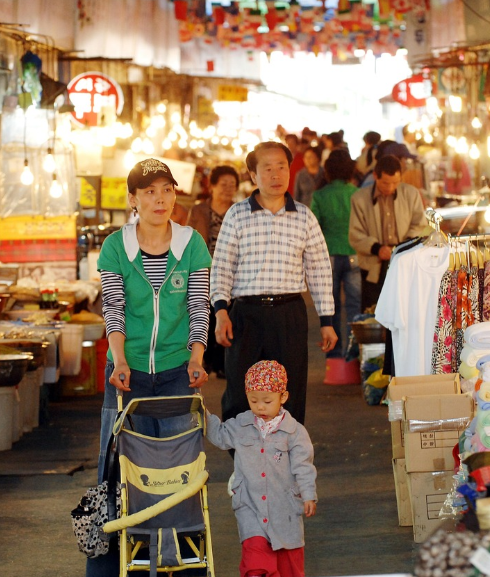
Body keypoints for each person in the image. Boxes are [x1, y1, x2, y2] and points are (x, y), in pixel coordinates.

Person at [88, 158, 211, 575]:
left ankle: (181, 558)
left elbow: (198, 306)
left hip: (178, 371)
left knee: (179, 470)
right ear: (134, 199)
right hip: (128, 375)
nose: (161, 199)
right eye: (150, 191)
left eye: (167, 190)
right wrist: (120, 359)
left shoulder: (192, 244)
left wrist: (197, 357)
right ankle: (125, 559)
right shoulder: (114, 247)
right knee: (120, 471)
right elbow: (114, 310)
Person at [211, 141, 337, 426]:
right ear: (253, 176)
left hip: (288, 314)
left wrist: (326, 319)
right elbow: (222, 266)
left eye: (282, 167)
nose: (276, 174)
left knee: (288, 392)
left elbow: (319, 268)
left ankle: (285, 459)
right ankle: (243, 460)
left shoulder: (304, 216)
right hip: (245, 314)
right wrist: (220, 311)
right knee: (240, 392)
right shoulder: (237, 215)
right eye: (267, 168)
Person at [205, 360, 317, 577]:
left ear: (283, 397)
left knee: (289, 566)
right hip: (250, 504)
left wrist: (309, 495)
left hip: (284, 509)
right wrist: (200, 410)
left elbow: (303, 466)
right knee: (255, 561)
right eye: (253, 400)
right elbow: (220, 435)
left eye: (267, 401)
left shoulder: (295, 432)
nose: (260, 407)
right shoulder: (241, 425)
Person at [349, 155, 427, 311]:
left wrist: (401, 247)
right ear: (375, 176)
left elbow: (420, 225)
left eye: (395, 183)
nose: (390, 188)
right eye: (385, 183)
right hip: (373, 267)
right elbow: (355, 234)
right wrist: (378, 249)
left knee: (406, 313)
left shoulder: (411, 194)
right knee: (374, 314)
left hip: (405, 264)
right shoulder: (359, 199)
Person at [188, 165, 240, 375]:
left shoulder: (239, 211)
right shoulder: (199, 210)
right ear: (212, 186)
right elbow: (190, 239)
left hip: (232, 273)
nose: (228, 189)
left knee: (228, 313)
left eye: (232, 185)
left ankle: (223, 363)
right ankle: (206, 360)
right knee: (204, 314)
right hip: (203, 270)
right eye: (223, 184)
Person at [310, 149, 360, 359]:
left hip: (327, 255)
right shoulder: (356, 193)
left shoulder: (320, 195)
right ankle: (353, 352)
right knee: (354, 307)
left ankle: (334, 352)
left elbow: (313, 228)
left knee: (331, 307)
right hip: (354, 254)